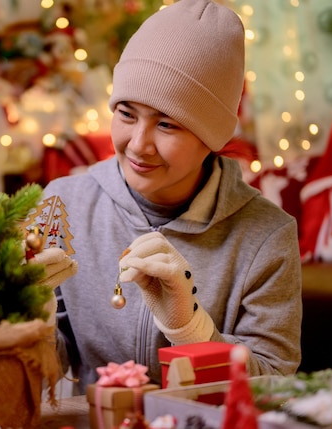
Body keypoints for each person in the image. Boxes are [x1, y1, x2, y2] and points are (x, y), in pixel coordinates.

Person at [33, 0, 302, 393]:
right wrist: (26, 320)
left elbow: (276, 384)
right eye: (126, 114)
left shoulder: (266, 236)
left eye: (167, 124)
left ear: (212, 138)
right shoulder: (63, 206)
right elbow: (43, 371)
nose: (139, 145)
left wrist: (191, 329)